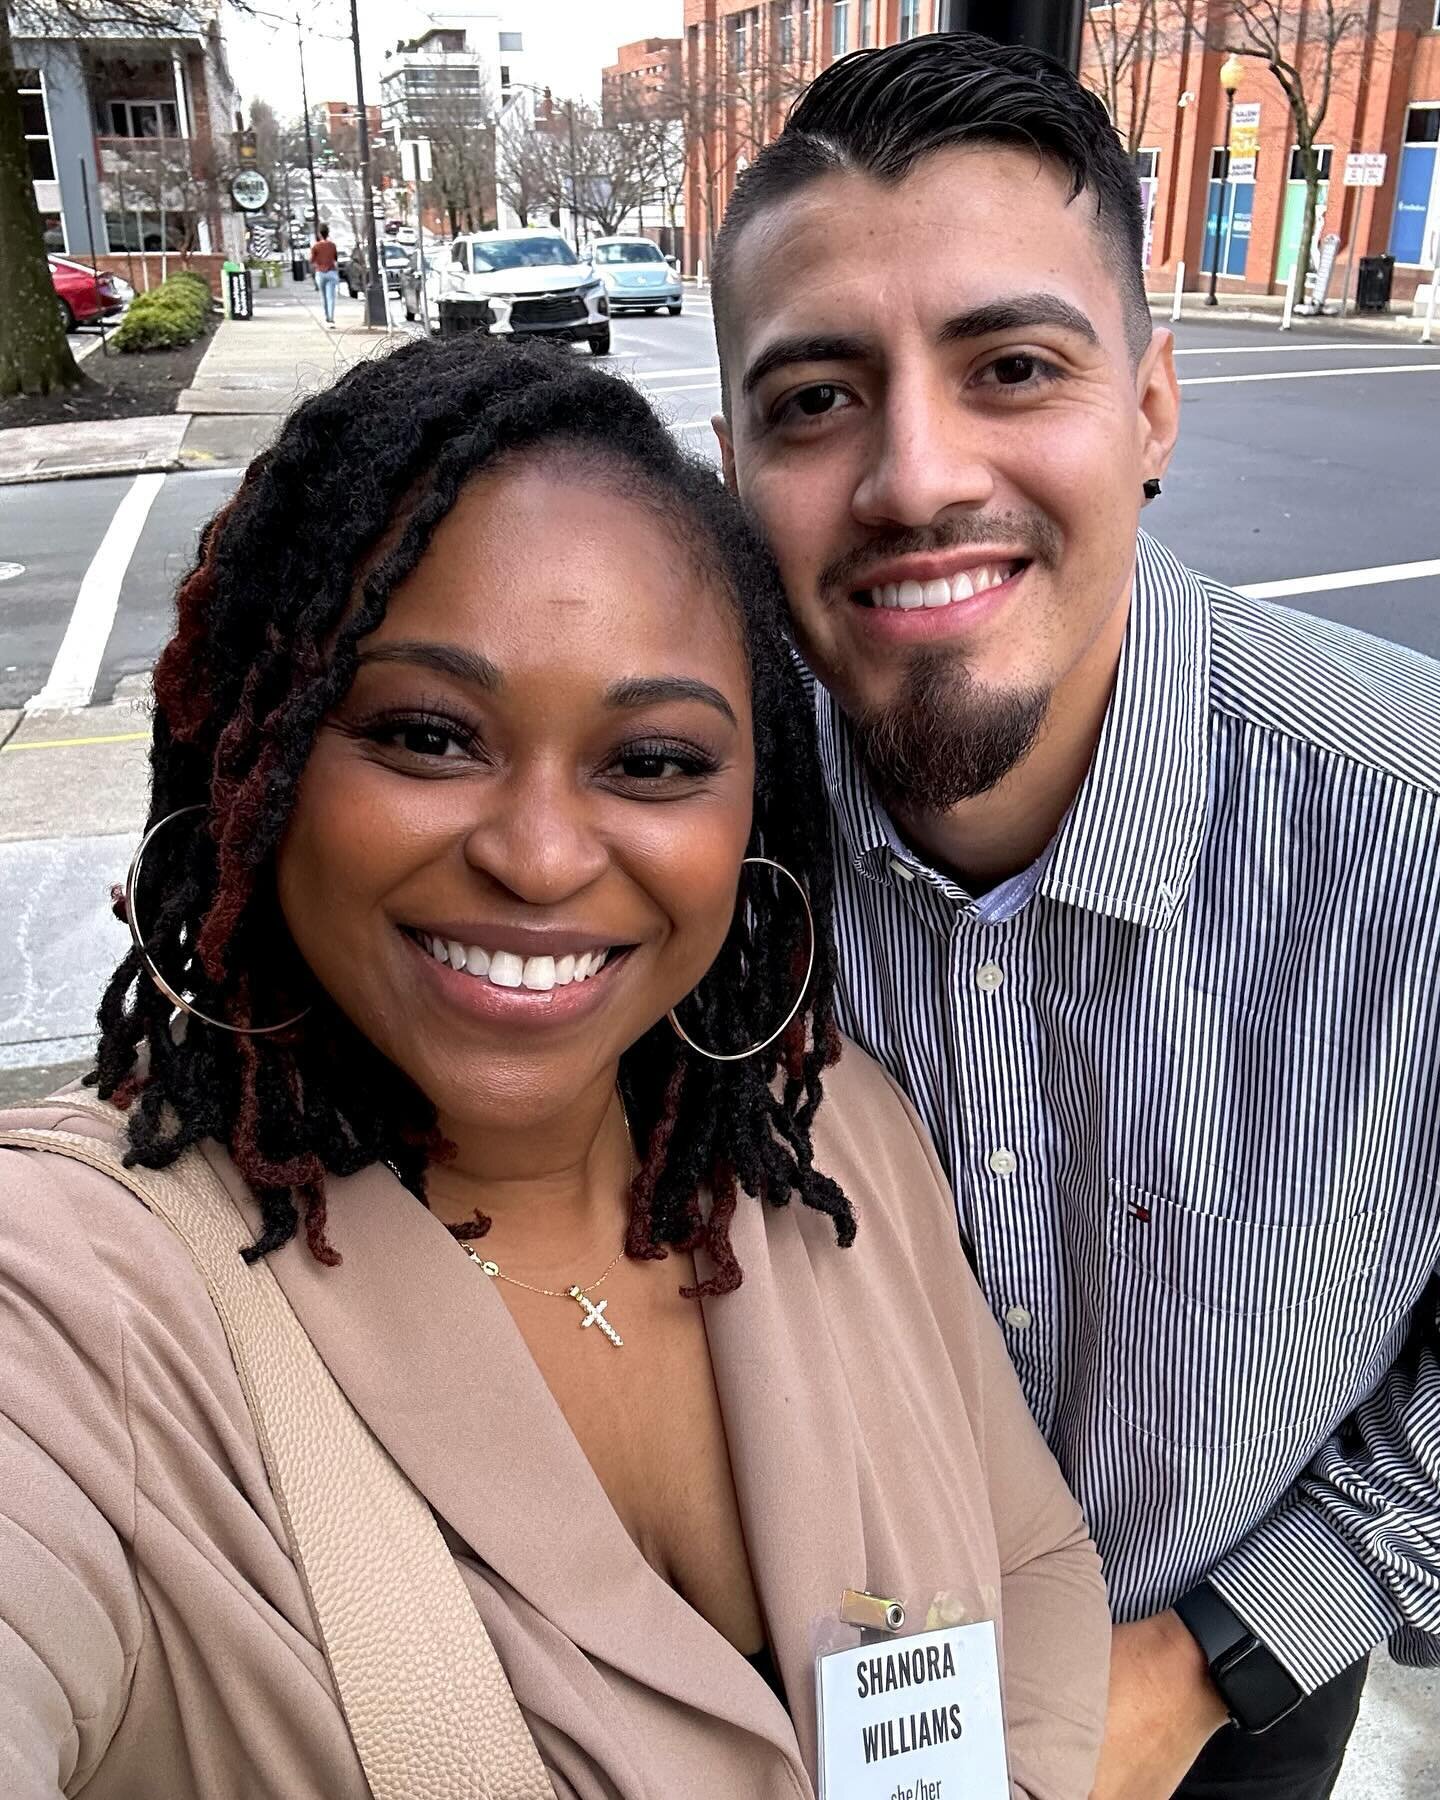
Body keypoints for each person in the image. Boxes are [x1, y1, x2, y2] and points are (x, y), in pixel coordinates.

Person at [0, 337, 1109, 1799]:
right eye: (425, 735)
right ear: (256, 766)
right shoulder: (76, 1309)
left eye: (651, 761)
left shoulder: (831, 1135)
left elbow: (1029, 1561)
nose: (537, 857)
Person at [708, 33, 1440, 1800]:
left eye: (1011, 366)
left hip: (1239, 1692)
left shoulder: (1414, 830)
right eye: (814, 399)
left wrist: (1211, 1664)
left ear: (1153, 404)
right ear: (731, 460)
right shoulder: (683, 824)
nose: (913, 476)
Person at [310, 222, 339, 326]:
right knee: (331, 296)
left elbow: (312, 260)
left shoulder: (316, 246)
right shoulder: (332, 245)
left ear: (319, 234)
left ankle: (326, 316)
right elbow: (335, 258)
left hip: (320, 273)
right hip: (331, 271)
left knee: (323, 296)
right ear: (328, 233)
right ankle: (331, 318)